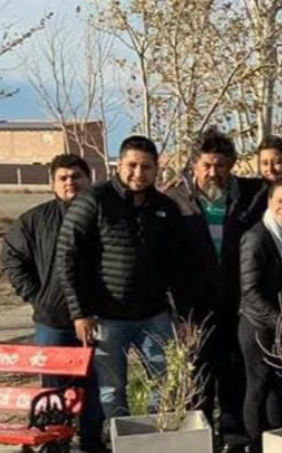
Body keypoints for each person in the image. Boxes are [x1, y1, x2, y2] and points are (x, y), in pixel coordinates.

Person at [58, 135, 186, 421]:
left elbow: (178, 266)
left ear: (156, 169)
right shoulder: (94, 201)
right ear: (119, 165)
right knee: (112, 388)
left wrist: (182, 313)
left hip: (154, 316)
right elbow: (68, 259)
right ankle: (121, 441)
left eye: (146, 167)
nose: (138, 173)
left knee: (164, 383)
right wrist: (80, 312)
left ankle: (157, 434)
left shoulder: (164, 207)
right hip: (107, 317)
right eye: (132, 165)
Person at [163, 129, 265, 453]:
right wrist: (176, 308)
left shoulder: (250, 195)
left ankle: (233, 433)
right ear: (194, 164)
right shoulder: (175, 199)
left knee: (234, 369)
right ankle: (199, 435)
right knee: (198, 371)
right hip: (194, 302)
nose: (213, 172)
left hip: (237, 301)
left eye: (220, 165)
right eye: (206, 165)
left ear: (232, 165)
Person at [1, 153, 107, 453]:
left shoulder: (103, 216)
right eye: (63, 178)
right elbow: (11, 257)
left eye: (77, 176)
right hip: (53, 320)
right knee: (54, 385)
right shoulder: (35, 221)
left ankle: (91, 439)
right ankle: (55, 441)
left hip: (96, 317)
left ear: (89, 179)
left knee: (93, 382)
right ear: (53, 183)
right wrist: (35, 294)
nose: (70, 182)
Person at [238, 175, 282, 453]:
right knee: (258, 384)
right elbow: (250, 291)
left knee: (280, 385)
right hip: (258, 323)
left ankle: (277, 442)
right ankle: (256, 445)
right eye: (279, 201)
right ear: (269, 202)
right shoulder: (256, 237)